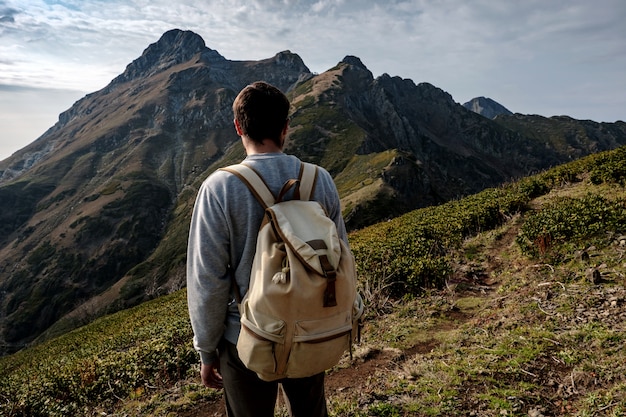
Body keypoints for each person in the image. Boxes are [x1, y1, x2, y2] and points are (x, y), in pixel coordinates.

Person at [186, 81, 350, 417]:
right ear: (285, 127)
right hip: (311, 325)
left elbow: (208, 281)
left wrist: (206, 350)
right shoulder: (320, 180)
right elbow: (341, 255)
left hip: (246, 336)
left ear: (238, 127)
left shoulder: (220, 187)